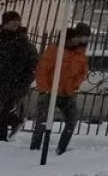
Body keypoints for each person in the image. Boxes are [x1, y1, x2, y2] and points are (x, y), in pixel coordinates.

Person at [31, 23, 90, 155]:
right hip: (50, 92)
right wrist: (44, 89)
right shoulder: (54, 50)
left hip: (68, 93)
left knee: (71, 121)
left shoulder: (80, 54)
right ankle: (35, 148)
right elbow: (42, 70)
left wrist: (74, 86)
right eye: (74, 39)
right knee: (42, 121)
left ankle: (61, 149)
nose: (76, 41)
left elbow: (82, 72)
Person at [0, 11, 37, 142]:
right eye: (12, 20)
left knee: (3, 110)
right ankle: (14, 123)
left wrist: (24, 81)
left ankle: (7, 131)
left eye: (17, 20)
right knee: (3, 111)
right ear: (5, 23)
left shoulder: (22, 41)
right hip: (3, 80)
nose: (15, 23)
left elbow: (32, 64)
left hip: (14, 82)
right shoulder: (2, 38)